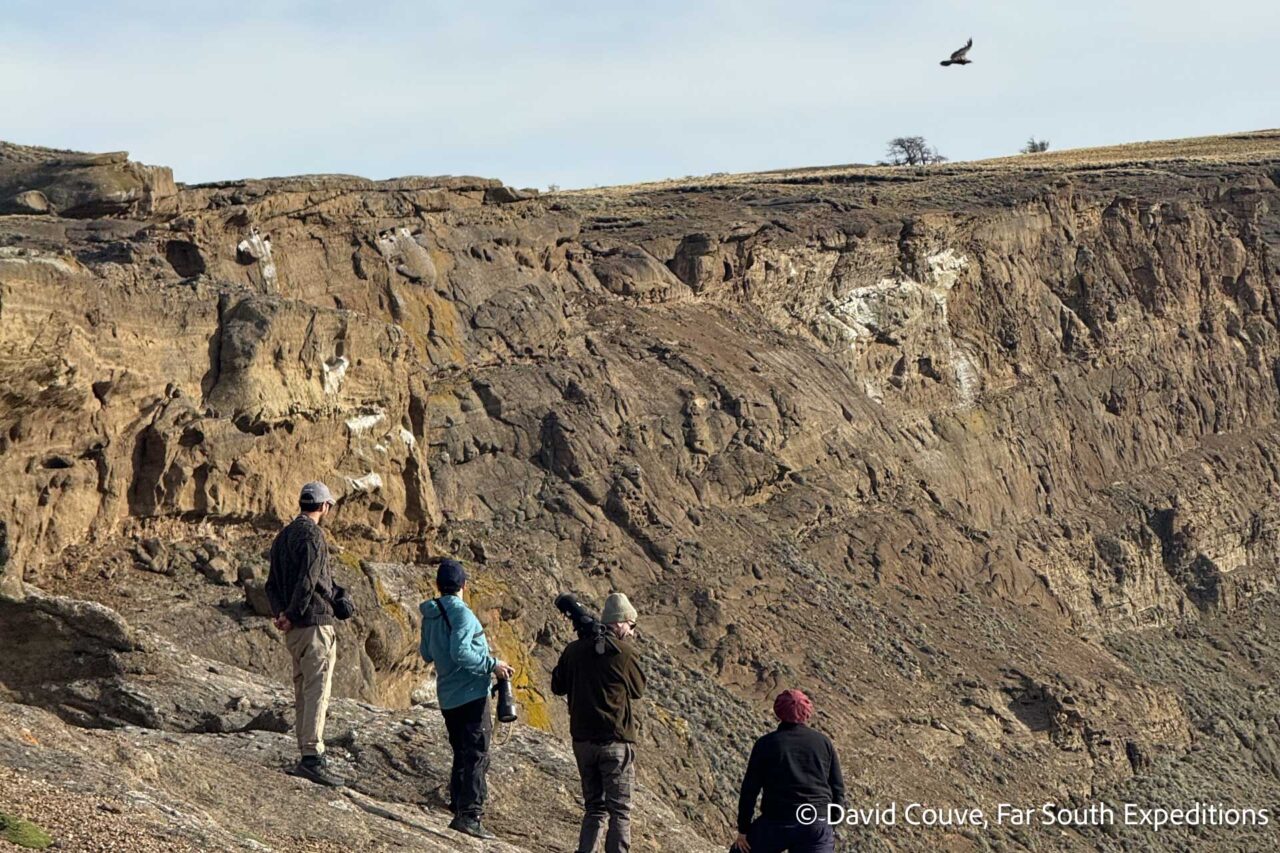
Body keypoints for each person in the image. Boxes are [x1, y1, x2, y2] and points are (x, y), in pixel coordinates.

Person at [419, 559, 514, 840]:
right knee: (476, 753)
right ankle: (470, 815)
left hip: (447, 695)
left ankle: (457, 805)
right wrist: (492, 664)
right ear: (463, 585)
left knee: (461, 751)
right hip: (471, 694)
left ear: (438, 585)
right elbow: (460, 652)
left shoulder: (431, 614)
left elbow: (426, 653)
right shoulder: (462, 614)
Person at [551, 592, 646, 853]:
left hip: (582, 742)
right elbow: (638, 690)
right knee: (620, 811)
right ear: (621, 623)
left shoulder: (574, 649)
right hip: (615, 742)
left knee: (594, 808)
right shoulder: (624, 652)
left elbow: (557, 685)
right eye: (631, 626)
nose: (632, 632)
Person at [266, 481, 344, 787]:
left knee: (302, 689)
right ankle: (312, 757)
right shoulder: (313, 535)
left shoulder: (282, 537)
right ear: (324, 506)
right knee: (317, 688)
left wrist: (281, 615)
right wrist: (296, 612)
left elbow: (271, 584)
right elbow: (310, 579)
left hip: (294, 630)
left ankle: (306, 752)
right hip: (313, 623)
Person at [733, 690, 844, 853]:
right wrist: (830, 823)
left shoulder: (766, 744)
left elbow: (750, 789)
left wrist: (743, 829)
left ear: (779, 711)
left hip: (778, 821)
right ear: (807, 712)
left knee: (739, 851)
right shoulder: (823, 743)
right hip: (817, 822)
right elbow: (837, 788)